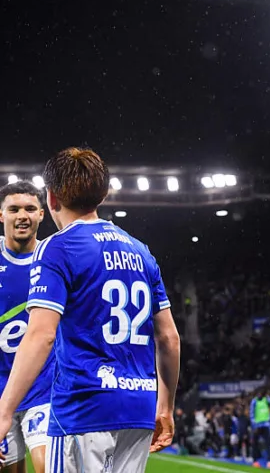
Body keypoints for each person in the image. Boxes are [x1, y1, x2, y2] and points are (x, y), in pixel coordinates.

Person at [0, 147, 181, 472]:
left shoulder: (57, 247)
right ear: (104, 194)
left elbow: (41, 335)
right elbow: (169, 338)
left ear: (51, 198)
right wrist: (165, 406)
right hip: (138, 408)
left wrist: (3, 412)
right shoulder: (141, 251)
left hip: (84, 405)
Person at [0, 182, 54, 472]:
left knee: (48, 466)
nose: (22, 215)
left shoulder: (54, 258)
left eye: (30, 209)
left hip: (43, 387)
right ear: (1, 215)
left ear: (41, 214)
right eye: (14, 209)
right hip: (1, 388)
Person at [251, 390, 270, 467]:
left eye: (261, 393)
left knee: (268, 443)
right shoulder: (254, 401)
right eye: (258, 393)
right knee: (255, 444)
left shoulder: (266, 400)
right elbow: (251, 414)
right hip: (257, 425)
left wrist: (268, 398)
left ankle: (269, 461)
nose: (259, 394)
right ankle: (255, 461)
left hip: (266, 425)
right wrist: (254, 425)